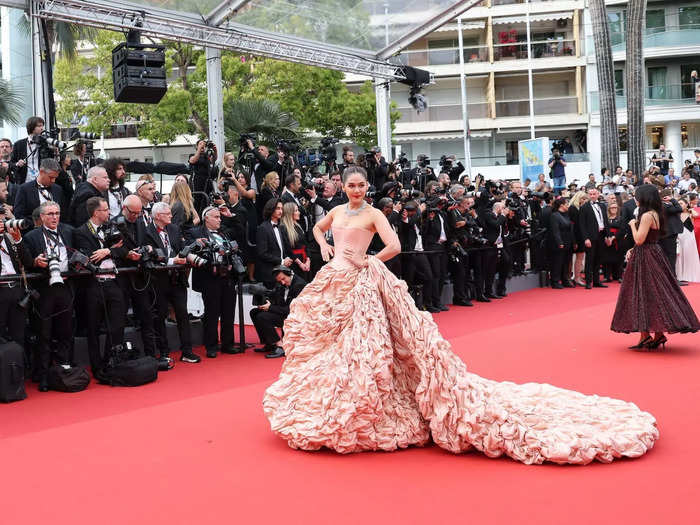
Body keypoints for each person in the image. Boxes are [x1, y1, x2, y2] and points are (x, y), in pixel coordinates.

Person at [263, 165, 659, 465]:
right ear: (343, 186)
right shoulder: (335, 212)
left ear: (367, 188)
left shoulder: (372, 214)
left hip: (364, 281)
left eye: (361, 185)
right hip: (335, 279)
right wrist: (327, 248)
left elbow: (395, 246)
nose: (356, 190)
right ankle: (333, 399)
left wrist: (369, 260)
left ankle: (370, 403)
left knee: (368, 345)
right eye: (351, 185)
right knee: (330, 342)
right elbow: (318, 228)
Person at [611, 184, 700, 349]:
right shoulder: (656, 213)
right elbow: (649, 239)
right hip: (652, 253)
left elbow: (639, 239)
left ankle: (648, 335)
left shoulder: (646, 216)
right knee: (653, 293)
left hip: (646, 256)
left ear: (644, 198)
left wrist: (632, 224)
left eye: (637, 196)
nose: (635, 199)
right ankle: (654, 335)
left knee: (643, 293)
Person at [73, 197, 127, 380]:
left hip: (113, 282)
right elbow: (89, 257)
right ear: (96, 212)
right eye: (105, 210)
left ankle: (112, 361)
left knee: (118, 325)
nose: (109, 213)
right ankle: (97, 367)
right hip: (93, 285)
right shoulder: (81, 232)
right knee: (93, 328)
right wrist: (110, 250)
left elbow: (125, 250)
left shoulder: (112, 227)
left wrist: (109, 251)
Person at [23, 201, 75, 391]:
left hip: (65, 287)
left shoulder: (68, 232)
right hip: (44, 290)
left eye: (57, 213)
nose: (54, 217)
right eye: (50, 214)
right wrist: (36, 262)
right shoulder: (31, 236)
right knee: (44, 334)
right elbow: (26, 262)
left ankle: (63, 370)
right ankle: (43, 375)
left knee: (65, 331)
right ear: (42, 217)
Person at [187, 206, 240, 358]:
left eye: (219, 217)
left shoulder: (224, 232)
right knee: (211, 312)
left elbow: (240, 230)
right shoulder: (196, 232)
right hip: (209, 276)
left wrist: (230, 215)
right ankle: (211, 345)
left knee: (228, 311)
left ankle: (228, 344)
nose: (219, 219)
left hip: (228, 275)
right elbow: (190, 249)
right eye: (216, 217)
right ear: (206, 218)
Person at [250, 265, 307, 359]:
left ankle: (281, 346)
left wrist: (270, 307)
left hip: (295, 316)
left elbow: (291, 309)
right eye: (280, 281)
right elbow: (277, 297)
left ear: (289, 274)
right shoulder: (281, 283)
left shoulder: (299, 285)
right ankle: (270, 343)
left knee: (262, 317)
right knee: (254, 312)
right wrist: (266, 301)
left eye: (284, 279)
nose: (283, 282)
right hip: (284, 312)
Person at [578, 188, 610, 289]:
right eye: (590, 194)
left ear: (598, 194)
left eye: (594, 194)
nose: (592, 196)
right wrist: (586, 238)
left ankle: (596, 281)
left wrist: (608, 235)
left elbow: (605, 221)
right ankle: (588, 282)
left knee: (598, 259)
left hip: (601, 235)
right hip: (590, 237)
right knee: (590, 260)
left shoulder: (602, 206)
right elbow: (582, 225)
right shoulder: (584, 207)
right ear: (588, 195)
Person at [280, 202, 310, 281]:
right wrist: (300, 264)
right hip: (294, 263)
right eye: (296, 210)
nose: (299, 212)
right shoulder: (283, 228)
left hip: (304, 260)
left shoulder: (298, 226)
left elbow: (306, 245)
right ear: (290, 213)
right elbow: (287, 249)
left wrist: (308, 260)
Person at [549, 197, 574, 288]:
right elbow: (555, 231)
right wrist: (560, 242)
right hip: (559, 243)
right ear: (561, 205)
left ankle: (564, 280)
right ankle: (555, 281)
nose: (568, 205)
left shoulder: (566, 214)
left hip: (568, 242)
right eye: (567, 204)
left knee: (566, 262)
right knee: (557, 262)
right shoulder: (554, 215)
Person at [675, 198, 700, 282]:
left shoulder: (690, 213)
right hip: (679, 235)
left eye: (681, 203)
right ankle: (680, 275)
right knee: (680, 254)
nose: (680, 205)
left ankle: (689, 274)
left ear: (686, 204)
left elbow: (696, 215)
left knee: (689, 254)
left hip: (689, 236)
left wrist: (690, 209)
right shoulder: (676, 214)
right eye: (678, 204)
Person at [568, 190, 588, 286]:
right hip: (574, 237)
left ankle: (577, 277)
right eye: (582, 198)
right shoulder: (572, 208)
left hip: (581, 236)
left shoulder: (581, 208)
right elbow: (572, 226)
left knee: (580, 257)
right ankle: (569, 278)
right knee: (570, 259)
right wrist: (574, 240)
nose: (584, 200)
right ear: (578, 198)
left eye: (585, 199)